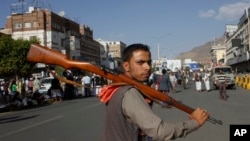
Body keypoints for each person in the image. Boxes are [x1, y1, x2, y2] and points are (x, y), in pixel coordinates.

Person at [99, 43, 209, 141]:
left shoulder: (120, 88)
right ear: (126, 66)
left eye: (149, 62)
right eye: (140, 62)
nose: (147, 67)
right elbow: (160, 131)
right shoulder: (129, 92)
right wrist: (195, 123)